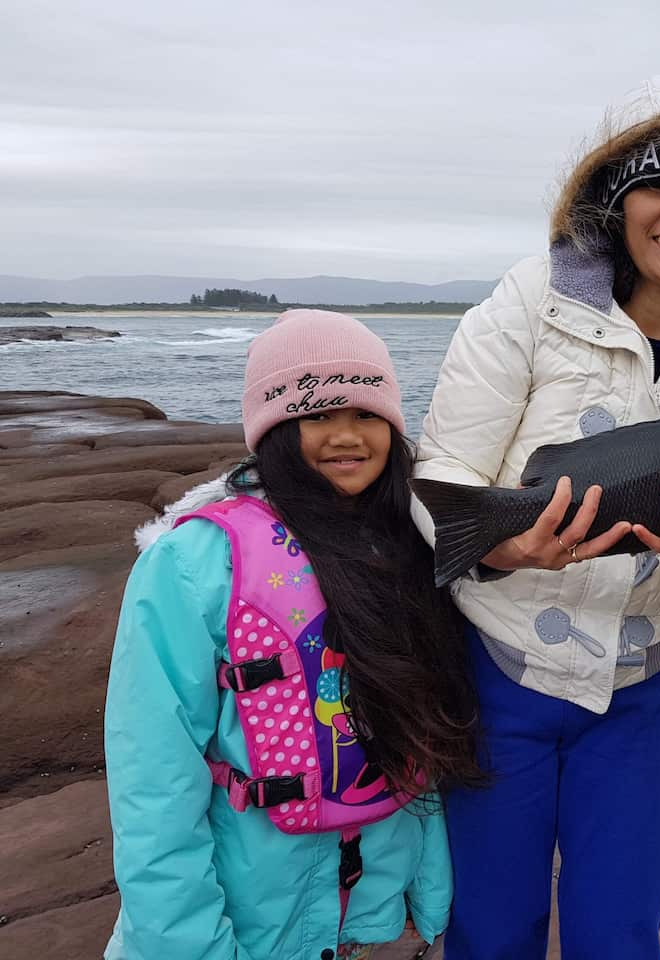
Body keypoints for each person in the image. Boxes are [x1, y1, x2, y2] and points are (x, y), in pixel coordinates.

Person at [411, 76, 660, 958]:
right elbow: (446, 472)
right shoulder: (530, 298)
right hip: (499, 672)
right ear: (617, 204)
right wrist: (499, 545)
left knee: (617, 931)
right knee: (490, 928)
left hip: (641, 685)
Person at [105, 310, 484, 960]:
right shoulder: (193, 564)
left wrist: (429, 890)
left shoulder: (410, 542)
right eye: (317, 414)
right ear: (274, 428)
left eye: (368, 413)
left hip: (372, 911)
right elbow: (154, 778)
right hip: (249, 917)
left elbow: (423, 745)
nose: (347, 436)